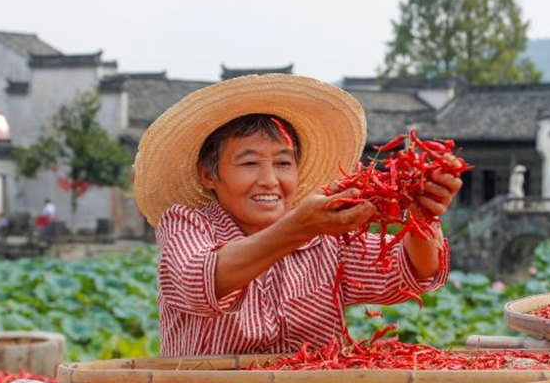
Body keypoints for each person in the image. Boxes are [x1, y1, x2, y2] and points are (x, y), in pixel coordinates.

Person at [133, 74, 461, 357]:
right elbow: (199, 280)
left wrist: (422, 218)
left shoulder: (327, 239)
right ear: (208, 174)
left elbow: (410, 271)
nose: (269, 180)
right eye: (249, 163)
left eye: (283, 163)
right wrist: (298, 230)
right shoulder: (186, 224)